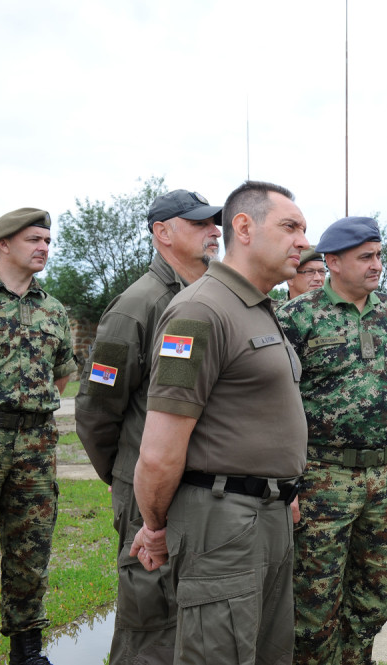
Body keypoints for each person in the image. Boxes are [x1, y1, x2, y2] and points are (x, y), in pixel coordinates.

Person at [130, 181, 310, 664]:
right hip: (223, 521)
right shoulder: (200, 310)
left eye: (304, 230)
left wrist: (281, 490)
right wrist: (153, 525)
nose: (303, 242)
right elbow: (160, 448)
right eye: (290, 227)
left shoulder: (255, 306)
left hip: (268, 514)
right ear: (244, 228)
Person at [277, 216, 387, 665]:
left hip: (386, 478)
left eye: (379, 255)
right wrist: (286, 480)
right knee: (313, 608)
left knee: (371, 603)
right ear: (333, 262)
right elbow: (274, 403)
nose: (377, 265)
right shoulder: (296, 318)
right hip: (320, 480)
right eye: (365, 257)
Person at [75, 189, 222, 665]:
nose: (214, 231)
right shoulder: (137, 305)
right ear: (162, 233)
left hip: (198, 487)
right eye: (200, 223)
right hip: (147, 487)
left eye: (214, 223)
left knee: (194, 616)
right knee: (149, 619)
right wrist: (125, 474)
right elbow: (98, 408)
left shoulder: (208, 297)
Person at [0, 208, 78, 665]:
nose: (43, 248)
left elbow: (62, 375)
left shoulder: (53, 309)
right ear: (3, 245)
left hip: (35, 447)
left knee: (31, 551)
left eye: (48, 241)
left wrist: (27, 411)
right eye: (35, 239)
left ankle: (27, 650)